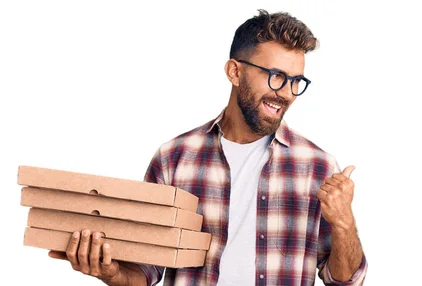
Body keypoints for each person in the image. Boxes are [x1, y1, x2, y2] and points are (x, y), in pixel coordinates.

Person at [48, 9, 368, 285]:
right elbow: (146, 271)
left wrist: (343, 222)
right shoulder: (174, 158)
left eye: (296, 82)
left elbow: (343, 280)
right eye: (275, 76)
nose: (285, 93)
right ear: (235, 71)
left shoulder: (318, 167)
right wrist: (109, 272)